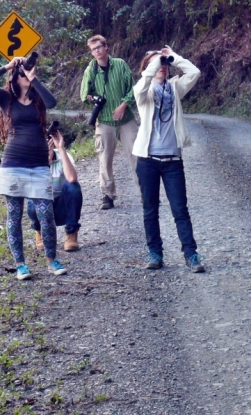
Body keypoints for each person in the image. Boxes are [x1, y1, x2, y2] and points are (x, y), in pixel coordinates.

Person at [0, 56, 67, 280]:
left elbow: (52, 103)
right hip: (14, 164)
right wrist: (7, 66)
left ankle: (51, 260)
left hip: (38, 164)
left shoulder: (38, 98)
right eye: (23, 72)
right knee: (14, 215)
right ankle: (20, 265)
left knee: (46, 214)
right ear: (15, 78)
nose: (27, 74)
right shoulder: (6, 98)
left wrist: (33, 78)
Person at [132, 45, 205, 273]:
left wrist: (174, 58)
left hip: (173, 159)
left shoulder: (175, 88)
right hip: (148, 159)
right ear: (148, 67)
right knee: (150, 209)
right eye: (157, 64)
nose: (162, 67)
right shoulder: (143, 92)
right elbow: (142, 84)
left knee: (180, 209)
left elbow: (194, 73)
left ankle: (191, 255)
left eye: (163, 64)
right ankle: (155, 254)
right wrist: (155, 61)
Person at [80, 35, 139, 210]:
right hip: (105, 120)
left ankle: (147, 193)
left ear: (106, 47)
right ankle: (108, 195)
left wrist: (123, 105)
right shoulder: (90, 70)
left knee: (137, 156)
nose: (97, 51)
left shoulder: (120, 65)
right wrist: (92, 97)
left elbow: (134, 88)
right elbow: (84, 94)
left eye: (99, 47)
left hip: (126, 118)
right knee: (104, 159)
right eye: (93, 49)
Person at [27, 130, 83, 252]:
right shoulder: (31, 159)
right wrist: (45, 162)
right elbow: (32, 187)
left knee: (73, 187)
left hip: (61, 206)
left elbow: (72, 178)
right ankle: (40, 231)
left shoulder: (63, 155)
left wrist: (61, 149)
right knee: (32, 199)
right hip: (42, 205)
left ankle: (71, 233)